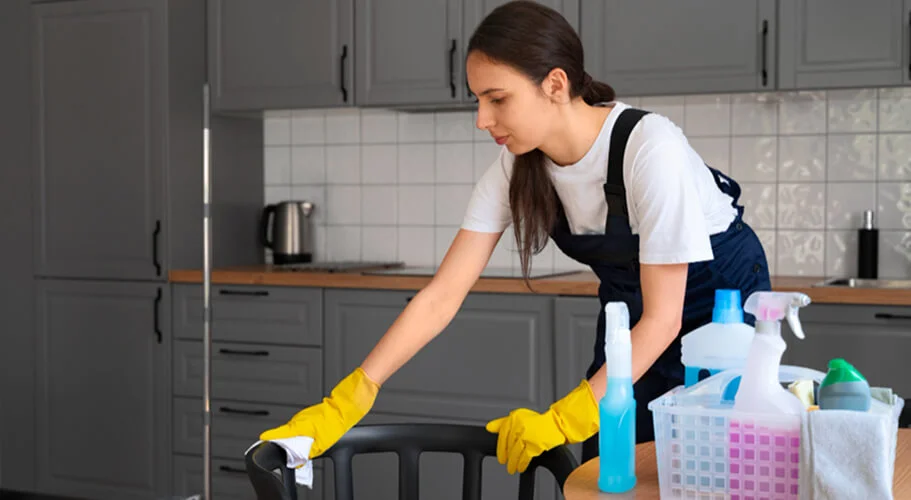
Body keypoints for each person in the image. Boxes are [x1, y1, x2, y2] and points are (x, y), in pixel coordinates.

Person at [259, 0, 771, 475]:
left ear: (554, 83)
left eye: (496, 99)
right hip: (629, 312)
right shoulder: (518, 167)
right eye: (479, 101)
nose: (483, 120)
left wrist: (563, 420)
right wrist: (350, 397)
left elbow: (665, 319)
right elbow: (440, 297)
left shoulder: (648, 149)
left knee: (709, 464)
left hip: (718, 310)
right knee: (610, 468)